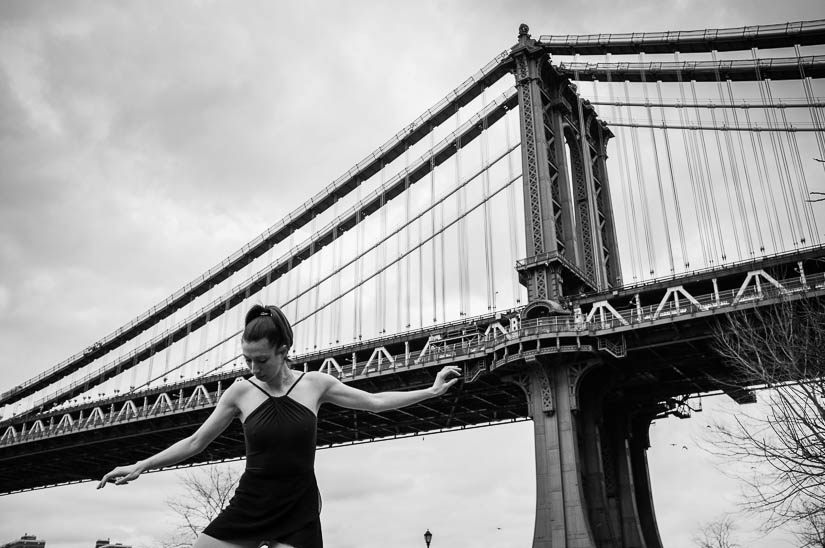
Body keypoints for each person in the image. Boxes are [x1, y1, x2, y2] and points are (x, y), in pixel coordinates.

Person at [98, 304, 461, 548]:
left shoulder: (316, 384)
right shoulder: (240, 392)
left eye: (261, 360)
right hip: (251, 503)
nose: (253, 368)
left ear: (284, 349)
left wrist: (430, 391)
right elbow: (196, 442)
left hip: (298, 508)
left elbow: (375, 402)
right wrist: (141, 466)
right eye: (247, 359)